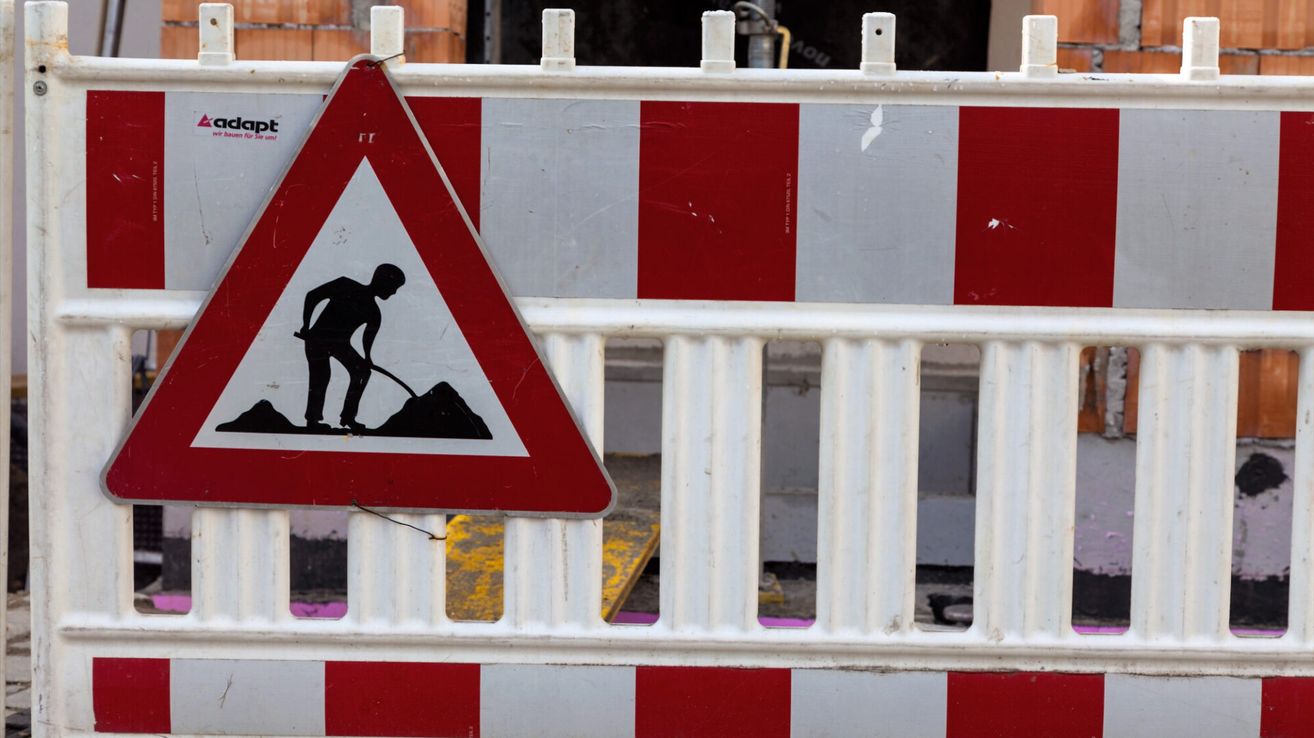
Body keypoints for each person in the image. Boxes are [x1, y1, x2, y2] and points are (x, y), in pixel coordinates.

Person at [296, 263, 405, 433]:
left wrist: (367, 358)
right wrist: (305, 325)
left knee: (362, 372)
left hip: (340, 344)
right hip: (318, 339)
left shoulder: (374, 313)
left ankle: (348, 417)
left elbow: (367, 339)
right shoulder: (345, 285)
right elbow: (313, 296)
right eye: (394, 287)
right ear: (382, 281)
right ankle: (313, 420)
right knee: (321, 376)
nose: (394, 292)